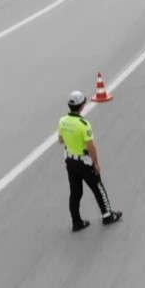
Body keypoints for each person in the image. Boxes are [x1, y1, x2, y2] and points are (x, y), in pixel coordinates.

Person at [57, 90, 123, 231]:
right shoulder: (83, 124)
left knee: (75, 192)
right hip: (84, 161)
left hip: (69, 161)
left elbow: (61, 140)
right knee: (98, 187)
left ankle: (76, 222)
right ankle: (107, 215)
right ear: (81, 106)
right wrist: (96, 163)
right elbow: (91, 146)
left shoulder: (62, 121)